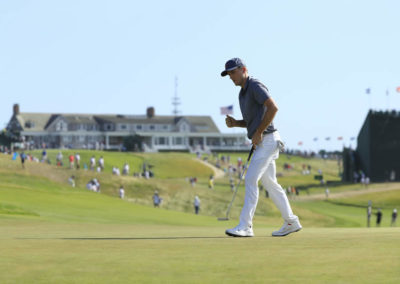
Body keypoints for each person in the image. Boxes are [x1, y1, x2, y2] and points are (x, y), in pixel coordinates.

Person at [221, 58, 301, 237]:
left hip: (269, 140)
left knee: (250, 179)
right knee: (270, 184)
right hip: (263, 141)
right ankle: (291, 221)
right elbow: (252, 121)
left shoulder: (255, 85)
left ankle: (245, 226)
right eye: (229, 74)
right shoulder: (242, 93)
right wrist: (236, 123)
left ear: (243, 70)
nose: (231, 77)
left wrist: (258, 132)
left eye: (233, 72)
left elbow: (273, 108)